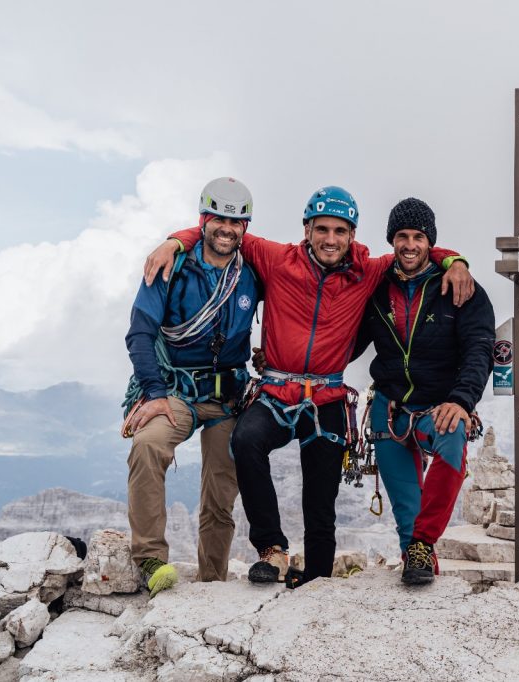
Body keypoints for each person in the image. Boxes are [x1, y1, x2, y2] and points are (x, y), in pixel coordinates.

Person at [143, 186, 473, 587]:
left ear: (352, 235)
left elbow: (413, 250)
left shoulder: (369, 270)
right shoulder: (277, 259)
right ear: (307, 229)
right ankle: (272, 549)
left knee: (321, 497)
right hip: (277, 391)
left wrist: (454, 261)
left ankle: (316, 573)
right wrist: (175, 242)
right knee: (246, 441)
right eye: (322, 229)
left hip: (327, 396)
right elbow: (227, 233)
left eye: (339, 230)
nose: (330, 239)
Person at [123, 177, 259, 596]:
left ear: (245, 228)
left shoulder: (252, 275)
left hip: (228, 395)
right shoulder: (171, 266)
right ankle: (150, 558)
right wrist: (154, 393)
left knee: (221, 491)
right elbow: (140, 333)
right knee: (148, 444)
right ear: (203, 219)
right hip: (175, 391)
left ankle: (213, 581)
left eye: (236, 222)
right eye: (219, 219)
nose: (226, 229)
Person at [353, 197, 494, 585]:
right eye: (402, 236)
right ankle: (418, 564)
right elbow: (344, 340)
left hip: (441, 406)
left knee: (452, 441)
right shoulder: (376, 289)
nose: (410, 244)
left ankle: (422, 546)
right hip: (390, 409)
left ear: (430, 241)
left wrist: (462, 401)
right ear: (391, 240)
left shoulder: (460, 288)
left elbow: (480, 347)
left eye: (418, 236)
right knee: (406, 514)